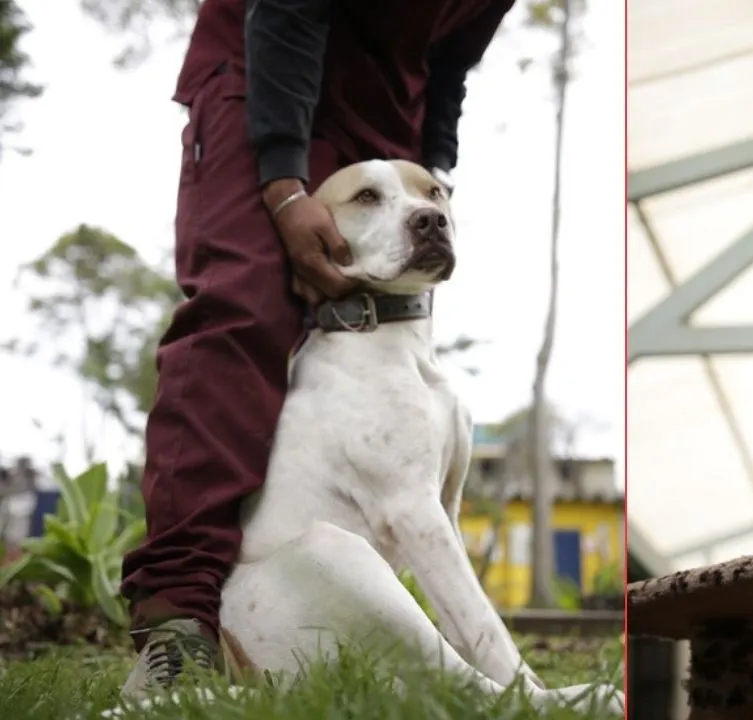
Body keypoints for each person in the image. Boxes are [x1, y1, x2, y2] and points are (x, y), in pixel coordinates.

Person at [117, 0, 516, 698]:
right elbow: (287, 12)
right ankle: (177, 620)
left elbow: (449, 61)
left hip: (388, 107)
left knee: (379, 348)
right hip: (263, 66)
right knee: (242, 312)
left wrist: (432, 177)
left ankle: (361, 629)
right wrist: (281, 183)